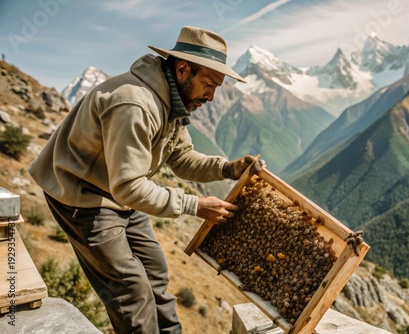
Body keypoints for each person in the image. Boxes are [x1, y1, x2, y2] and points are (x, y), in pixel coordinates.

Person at [29, 26, 263, 334]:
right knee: (131, 291)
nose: (211, 95)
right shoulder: (135, 104)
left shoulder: (173, 102)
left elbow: (181, 158)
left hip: (120, 193)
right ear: (182, 69)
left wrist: (228, 169)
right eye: (209, 84)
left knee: (155, 274)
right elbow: (128, 186)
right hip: (82, 195)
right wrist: (194, 204)